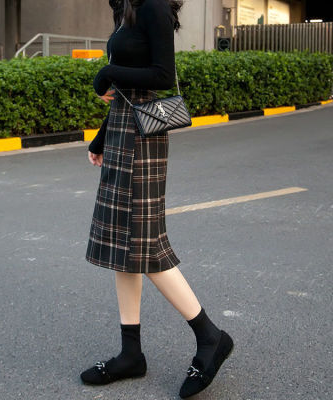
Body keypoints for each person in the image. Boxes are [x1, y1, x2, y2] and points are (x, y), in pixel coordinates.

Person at [82, 0, 234, 398]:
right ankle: (130, 353)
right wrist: (101, 139)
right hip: (122, 130)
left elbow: (162, 75)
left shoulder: (153, 6)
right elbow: (126, 92)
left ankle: (209, 336)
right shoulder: (126, 6)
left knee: (143, 244)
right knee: (123, 246)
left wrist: (107, 72)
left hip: (142, 140)